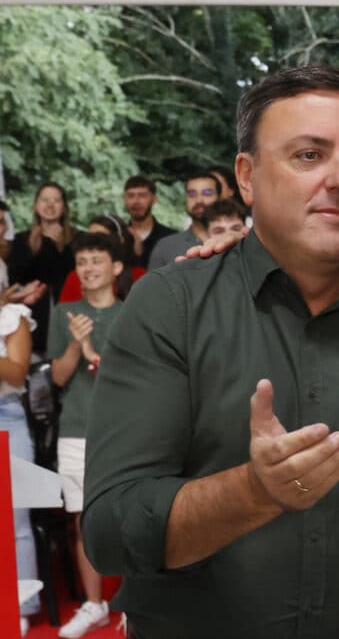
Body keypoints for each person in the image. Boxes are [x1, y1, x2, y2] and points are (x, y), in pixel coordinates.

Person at [81, 64, 339, 638]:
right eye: (309, 155)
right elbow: (110, 531)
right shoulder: (170, 307)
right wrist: (252, 492)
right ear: (247, 178)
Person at [49, 232, 125, 638]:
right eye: (82, 262)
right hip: (76, 427)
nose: (89, 268)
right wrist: (77, 347)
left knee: (129, 512)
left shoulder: (133, 313)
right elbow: (59, 378)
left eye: (97, 260)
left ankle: (133, 601)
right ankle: (94, 605)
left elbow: (130, 377)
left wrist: (92, 349)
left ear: (115, 268)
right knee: (83, 518)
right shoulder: (65, 312)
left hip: (123, 429)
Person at [0, 295, 36, 635]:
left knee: (15, 518)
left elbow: (17, 370)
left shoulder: (13, 316)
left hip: (5, 416)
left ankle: (18, 607)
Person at [9, 182, 77, 354]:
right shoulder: (21, 240)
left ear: (64, 207)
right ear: (35, 205)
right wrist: (33, 248)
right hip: (32, 315)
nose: (50, 205)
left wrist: (59, 246)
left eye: (56, 200)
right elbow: (14, 279)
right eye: (45, 199)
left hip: (67, 313)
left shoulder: (76, 239)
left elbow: (73, 276)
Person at [59, 215, 146, 303]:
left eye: (101, 237)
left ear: (120, 240)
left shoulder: (140, 277)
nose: (94, 243)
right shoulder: (76, 277)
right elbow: (64, 313)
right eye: (90, 237)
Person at [145, 171, 220, 269]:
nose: (199, 200)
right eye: (192, 194)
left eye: (207, 193)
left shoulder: (235, 241)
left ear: (220, 197)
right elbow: (152, 284)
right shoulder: (166, 246)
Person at [123, 176, 178, 269]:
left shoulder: (170, 237)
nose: (136, 201)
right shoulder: (118, 236)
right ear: (125, 200)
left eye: (142, 195)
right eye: (131, 196)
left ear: (154, 199)